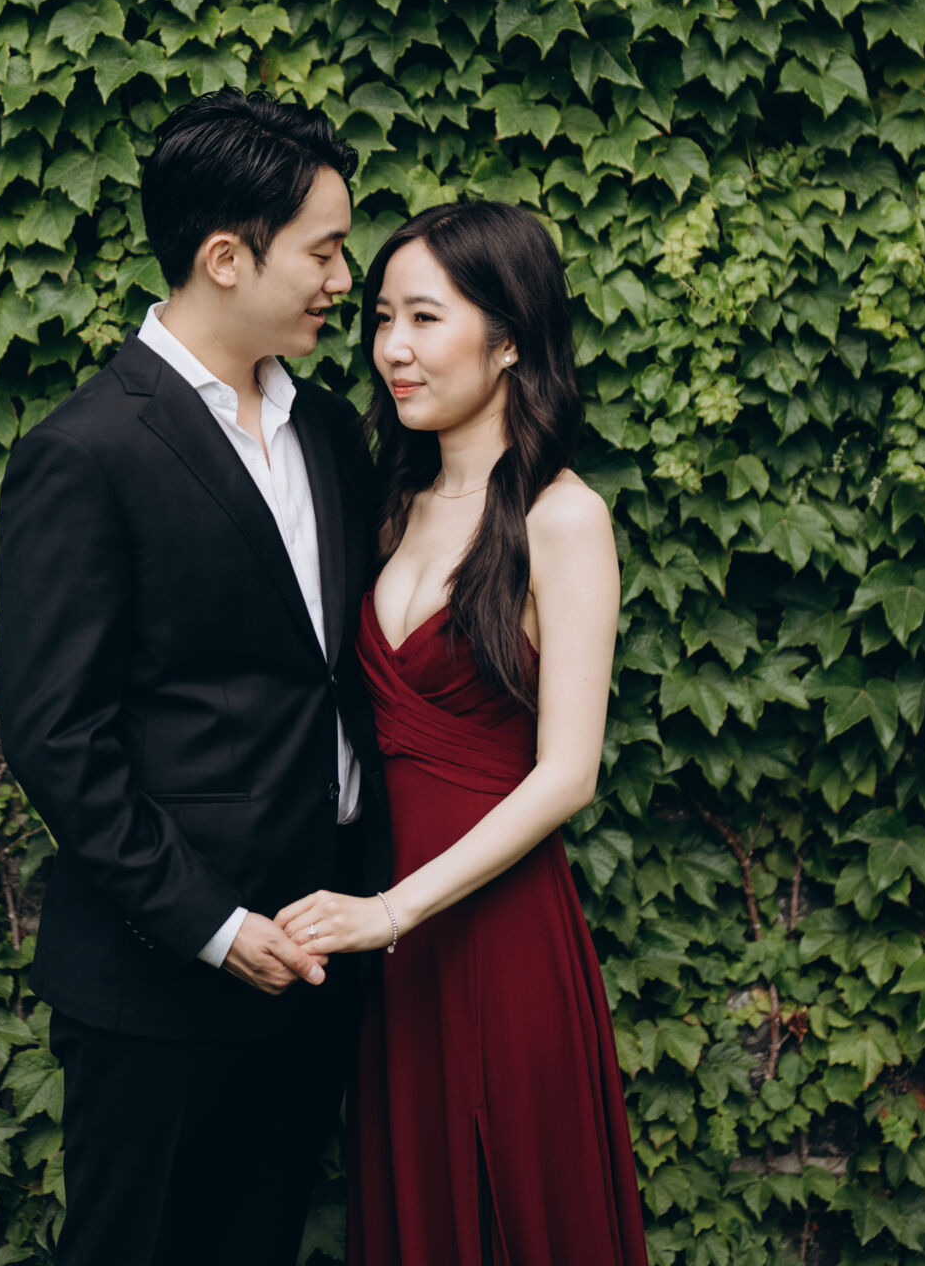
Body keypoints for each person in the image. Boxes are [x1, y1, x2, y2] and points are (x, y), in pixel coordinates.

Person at [0, 89, 387, 1266]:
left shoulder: (329, 433)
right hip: (159, 977)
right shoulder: (83, 451)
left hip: (320, 956)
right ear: (225, 257)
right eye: (322, 251)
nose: (342, 279)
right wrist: (213, 927)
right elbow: (57, 738)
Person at [277, 201, 651, 1265]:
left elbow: (567, 774)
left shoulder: (561, 517)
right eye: (381, 319)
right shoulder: (390, 503)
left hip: (493, 929)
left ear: (510, 340)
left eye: (425, 318)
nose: (392, 348)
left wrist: (391, 911)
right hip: (388, 944)